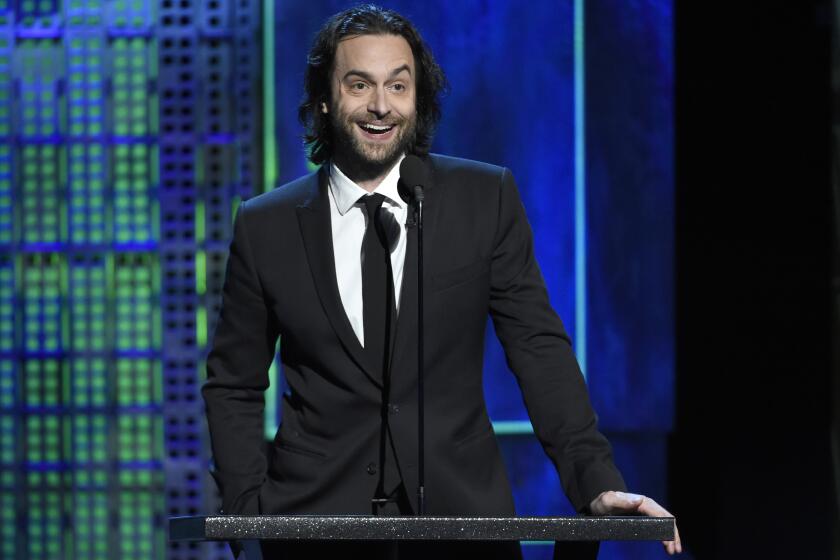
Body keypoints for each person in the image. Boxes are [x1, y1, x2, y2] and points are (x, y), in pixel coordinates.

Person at [202, 4, 682, 559]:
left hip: (461, 522)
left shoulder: (484, 199)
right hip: (314, 528)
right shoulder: (266, 225)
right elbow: (233, 383)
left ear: (417, 97)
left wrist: (596, 482)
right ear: (325, 100)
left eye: (398, 86)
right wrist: (246, 518)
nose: (381, 105)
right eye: (360, 85)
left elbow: (538, 350)